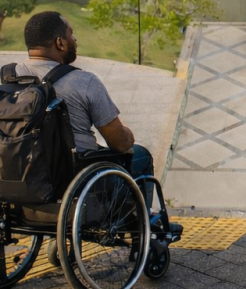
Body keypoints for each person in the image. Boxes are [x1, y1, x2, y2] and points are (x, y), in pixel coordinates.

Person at [15, 11, 153, 182]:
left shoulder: (8, 77)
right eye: (71, 35)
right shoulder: (85, 81)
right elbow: (119, 143)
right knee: (141, 156)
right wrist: (128, 136)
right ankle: (136, 209)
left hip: (21, 174)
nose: (75, 40)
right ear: (60, 43)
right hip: (75, 176)